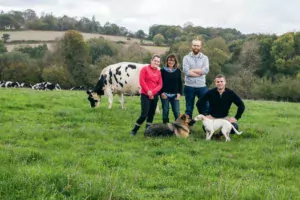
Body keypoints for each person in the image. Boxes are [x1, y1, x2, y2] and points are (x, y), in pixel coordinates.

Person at [130, 54, 163, 136]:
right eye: (155, 60)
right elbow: (142, 81)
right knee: (144, 114)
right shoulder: (144, 69)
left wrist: (153, 92)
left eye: (158, 61)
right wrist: (148, 91)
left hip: (155, 95)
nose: (156, 62)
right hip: (145, 95)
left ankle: (148, 131)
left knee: (151, 114)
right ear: (151, 61)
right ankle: (134, 130)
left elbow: (160, 84)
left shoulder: (159, 72)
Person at [182, 38, 210, 123]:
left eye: (198, 45)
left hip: (202, 86)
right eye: (194, 45)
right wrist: (199, 72)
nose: (196, 47)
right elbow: (186, 71)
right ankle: (188, 127)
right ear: (192, 45)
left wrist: (192, 70)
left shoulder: (205, 58)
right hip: (189, 86)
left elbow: (205, 71)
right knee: (189, 108)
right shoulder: (186, 58)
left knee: (205, 107)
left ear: (200, 46)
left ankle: (206, 126)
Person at [159, 54, 182, 123]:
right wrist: (161, 93)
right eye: (169, 60)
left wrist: (179, 93)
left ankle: (178, 127)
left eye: (173, 60)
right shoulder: (162, 71)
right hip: (165, 94)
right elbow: (159, 83)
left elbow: (180, 83)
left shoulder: (178, 71)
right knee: (165, 111)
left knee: (176, 112)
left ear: (175, 62)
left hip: (175, 95)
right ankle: (165, 128)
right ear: (167, 61)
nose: (171, 62)